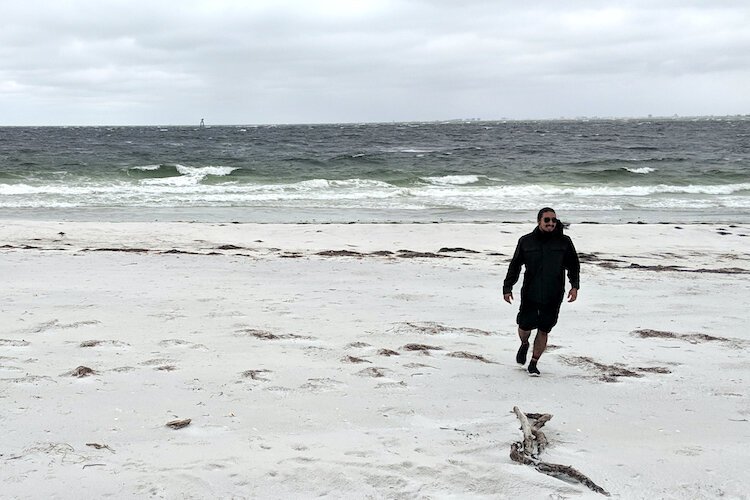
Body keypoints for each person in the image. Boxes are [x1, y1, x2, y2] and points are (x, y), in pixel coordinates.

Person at [503, 208, 580, 375]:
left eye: (553, 220)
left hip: (554, 292)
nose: (551, 223)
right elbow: (515, 265)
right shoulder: (526, 241)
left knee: (544, 328)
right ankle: (524, 344)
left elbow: (573, 265)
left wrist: (574, 286)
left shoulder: (564, 242)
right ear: (539, 221)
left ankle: (534, 363)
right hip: (531, 291)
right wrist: (507, 287)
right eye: (547, 220)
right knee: (524, 325)